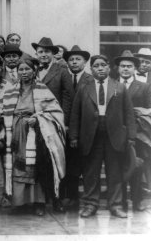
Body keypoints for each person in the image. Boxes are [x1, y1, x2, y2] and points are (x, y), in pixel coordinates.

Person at [69, 54, 136, 218]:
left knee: (115, 172)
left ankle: (116, 205)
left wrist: (131, 137)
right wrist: (74, 136)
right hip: (90, 135)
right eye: (96, 66)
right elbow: (75, 114)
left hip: (114, 135)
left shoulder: (119, 87)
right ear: (91, 69)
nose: (100, 68)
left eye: (103, 65)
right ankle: (90, 204)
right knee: (91, 172)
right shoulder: (84, 87)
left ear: (108, 67)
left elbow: (129, 114)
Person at [1, 59, 66, 216]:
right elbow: (1, 110)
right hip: (16, 132)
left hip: (36, 132)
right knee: (19, 166)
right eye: (21, 69)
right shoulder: (10, 91)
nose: (24, 72)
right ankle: (20, 201)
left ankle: (39, 202)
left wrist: (38, 119)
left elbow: (55, 112)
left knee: (36, 166)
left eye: (27, 69)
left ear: (34, 70)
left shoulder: (43, 90)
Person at [32, 37, 74, 212]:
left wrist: (62, 121)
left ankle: (56, 199)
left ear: (53, 54)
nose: (43, 55)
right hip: (34, 122)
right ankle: (40, 201)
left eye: (47, 52)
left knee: (55, 160)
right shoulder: (32, 70)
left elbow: (68, 96)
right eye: (40, 52)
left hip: (54, 122)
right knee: (38, 160)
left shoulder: (61, 70)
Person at [114, 50, 151, 212]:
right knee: (119, 166)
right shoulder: (112, 84)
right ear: (118, 68)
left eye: (129, 66)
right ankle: (122, 200)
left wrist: (141, 112)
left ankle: (137, 200)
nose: (125, 69)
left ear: (135, 68)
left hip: (138, 133)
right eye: (122, 66)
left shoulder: (144, 87)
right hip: (117, 134)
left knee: (137, 166)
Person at [62, 45, 93, 209]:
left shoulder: (91, 79)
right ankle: (69, 197)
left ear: (85, 62)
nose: (74, 62)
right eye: (71, 59)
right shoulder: (64, 77)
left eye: (77, 59)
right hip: (65, 129)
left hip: (85, 130)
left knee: (85, 164)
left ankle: (87, 199)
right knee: (68, 164)